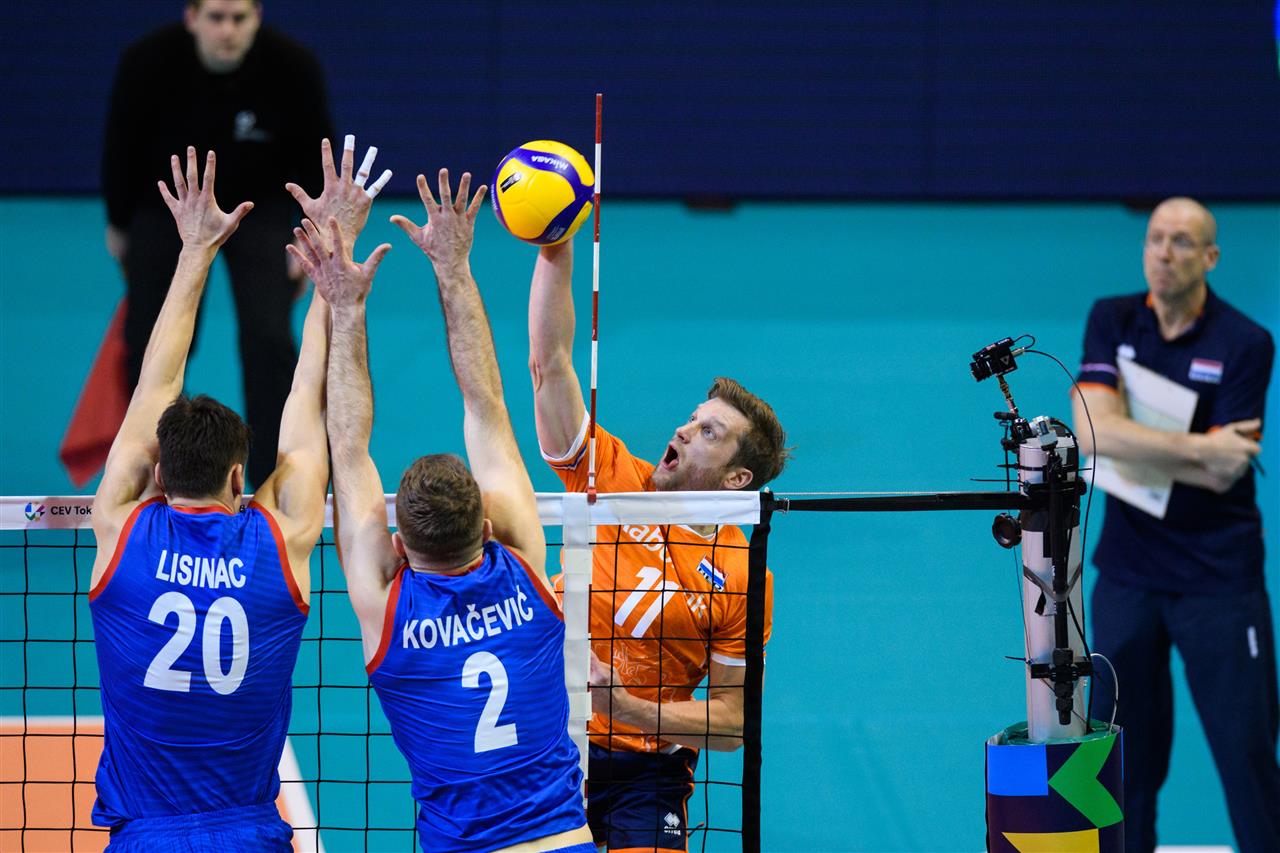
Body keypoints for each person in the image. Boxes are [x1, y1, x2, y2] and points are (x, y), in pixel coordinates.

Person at [295, 165, 592, 853]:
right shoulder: (523, 562)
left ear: (399, 545)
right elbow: (487, 405)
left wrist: (345, 305)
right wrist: (454, 268)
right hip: (564, 841)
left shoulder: (387, 606)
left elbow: (348, 448)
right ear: (486, 526)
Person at [87, 147, 330, 850]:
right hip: (250, 834)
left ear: (159, 476)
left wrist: (195, 251)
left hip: (146, 836)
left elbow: (154, 386)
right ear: (238, 479)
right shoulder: (277, 541)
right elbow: (306, 411)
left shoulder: (121, 531)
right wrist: (331, 279)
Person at [527, 240, 790, 850]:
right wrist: (555, 247)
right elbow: (549, 364)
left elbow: (732, 725)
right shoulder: (611, 478)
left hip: (645, 773)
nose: (683, 429)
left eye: (708, 432)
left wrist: (629, 710)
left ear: (737, 479)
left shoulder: (743, 574)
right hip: (546, 741)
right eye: (692, 418)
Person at [1072, 197, 1279, 853]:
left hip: (1219, 581)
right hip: (1128, 576)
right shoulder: (1112, 318)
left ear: (1210, 257)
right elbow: (1093, 433)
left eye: (1182, 241)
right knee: (1122, 761)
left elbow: (1226, 474)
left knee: (1247, 757)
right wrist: (1199, 446)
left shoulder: (1245, 342)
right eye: (1156, 238)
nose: (1164, 252)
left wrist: (1134, 439)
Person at [102, 0, 334, 486]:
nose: (227, 29)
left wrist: (312, 235)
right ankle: (149, 476)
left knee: (269, 337)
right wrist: (121, 227)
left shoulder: (294, 66)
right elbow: (120, 148)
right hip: (167, 210)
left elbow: (316, 156)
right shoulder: (145, 62)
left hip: (259, 208)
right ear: (192, 18)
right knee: (153, 341)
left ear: (257, 17)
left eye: (239, 18)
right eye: (215, 17)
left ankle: (272, 481)